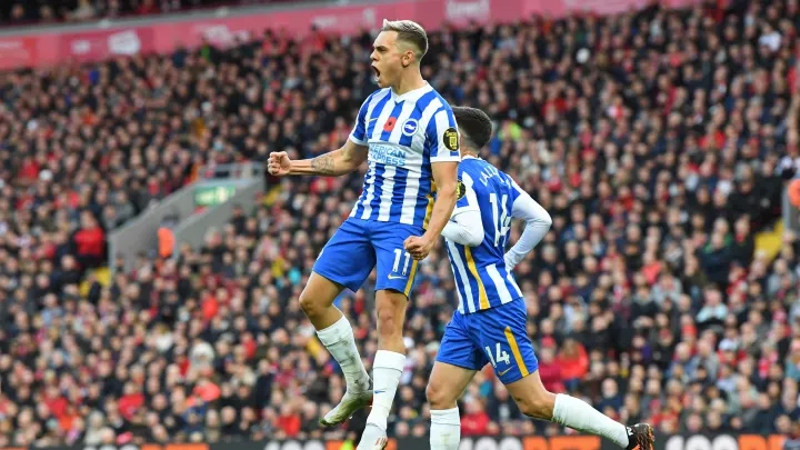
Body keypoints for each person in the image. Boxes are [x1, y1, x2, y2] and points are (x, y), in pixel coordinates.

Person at [267, 19, 461, 450]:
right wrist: (292, 166)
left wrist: (430, 236)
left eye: (379, 50)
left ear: (406, 56)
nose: (371, 58)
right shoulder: (373, 104)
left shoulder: (436, 113)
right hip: (362, 218)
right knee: (312, 301)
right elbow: (346, 158)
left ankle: (376, 425)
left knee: (388, 319)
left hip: (404, 225)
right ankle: (358, 385)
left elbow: (448, 187)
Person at [427, 106, 655, 450]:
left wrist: (434, 224)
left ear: (456, 138)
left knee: (534, 402)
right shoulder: (500, 177)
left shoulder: (457, 175)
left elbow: (471, 234)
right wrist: (511, 258)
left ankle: (628, 437)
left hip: (493, 307)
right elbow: (542, 219)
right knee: (439, 393)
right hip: (470, 310)